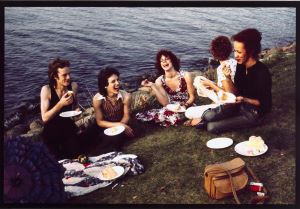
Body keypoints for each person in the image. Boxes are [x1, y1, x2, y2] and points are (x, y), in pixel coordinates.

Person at [191, 28, 272, 133]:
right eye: (234, 51)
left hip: (253, 113)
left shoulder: (261, 72)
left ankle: (211, 121)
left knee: (212, 127)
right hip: (239, 106)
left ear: (251, 51)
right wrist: (228, 78)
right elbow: (235, 93)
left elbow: (266, 105)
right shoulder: (240, 65)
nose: (235, 55)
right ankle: (208, 118)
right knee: (208, 115)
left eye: (239, 52)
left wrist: (245, 100)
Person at [185, 36, 237, 126]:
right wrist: (213, 85)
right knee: (198, 79)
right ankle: (214, 104)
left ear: (214, 54)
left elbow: (229, 95)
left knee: (188, 112)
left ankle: (210, 112)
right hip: (235, 95)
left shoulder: (222, 68)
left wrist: (211, 85)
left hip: (228, 103)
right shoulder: (234, 62)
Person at [136, 49, 195, 127]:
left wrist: (185, 105)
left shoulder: (185, 75)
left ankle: (183, 117)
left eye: (167, 59)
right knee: (141, 116)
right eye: (161, 60)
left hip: (187, 105)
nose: (164, 62)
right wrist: (153, 86)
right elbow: (165, 103)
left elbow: (192, 96)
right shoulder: (159, 81)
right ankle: (180, 118)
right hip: (172, 107)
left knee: (180, 114)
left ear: (173, 61)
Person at [40, 58, 81, 159]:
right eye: (64, 75)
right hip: (51, 131)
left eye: (69, 74)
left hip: (68, 127)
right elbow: (44, 118)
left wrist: (77, 111)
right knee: (54, 161)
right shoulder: (47, 90)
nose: (68, 77)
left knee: (75, 157)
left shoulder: (73, 86)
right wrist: (60, 103)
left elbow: (75, 107)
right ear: (55, 76)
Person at [88, 67, 134, 154]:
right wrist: (118, 125)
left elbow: (126, 115)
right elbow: (100, 122)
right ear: (105, 85)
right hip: (106, 124)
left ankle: (109, 150)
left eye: (118, 80)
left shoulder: (126, 96)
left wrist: (121, 126)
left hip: (123, 122)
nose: (117, 83)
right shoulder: (97, 99)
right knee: (88, 134)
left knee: (115, 137)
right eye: (113, 81)